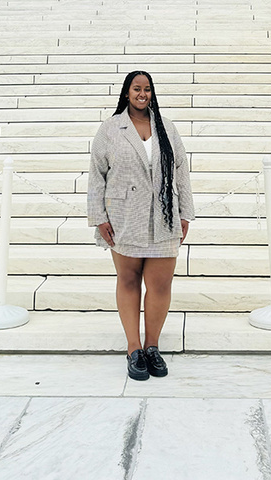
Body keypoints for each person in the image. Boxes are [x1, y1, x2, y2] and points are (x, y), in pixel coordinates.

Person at [87, 71, 195, 381]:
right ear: (126, 93)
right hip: (123, 217)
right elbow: (97, 174)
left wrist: (185, 212)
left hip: (163, 216)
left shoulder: (167, 128)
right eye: (137, 88)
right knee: (129, 279)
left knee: (161, 285)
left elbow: (182, 172)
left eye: (147, 89)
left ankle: (152, 347)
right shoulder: (110, 129)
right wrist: (99, 217)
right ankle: (133, 348)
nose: (142, 94)